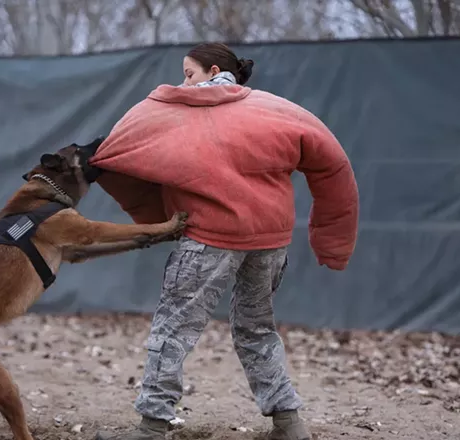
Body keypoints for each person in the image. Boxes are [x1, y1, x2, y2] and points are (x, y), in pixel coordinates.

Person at [90, 42, 359, 440]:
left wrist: (153, 218)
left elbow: (115, 151)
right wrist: (332, 240)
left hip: (208, 240)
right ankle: (289, 423)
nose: (183, 81)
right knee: (257, 329)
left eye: (188, 73)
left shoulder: (170, 112)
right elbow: (334, 166)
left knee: (173, 329)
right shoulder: (278, 109)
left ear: (213, 70)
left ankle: (151, 427)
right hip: (270, 242)